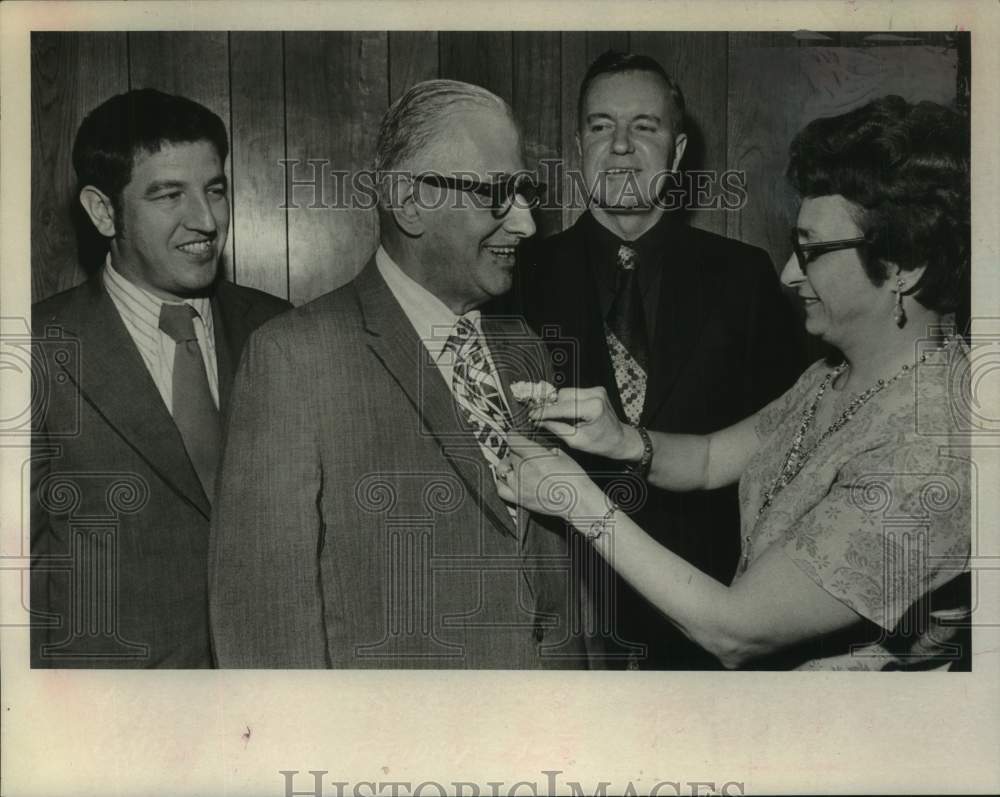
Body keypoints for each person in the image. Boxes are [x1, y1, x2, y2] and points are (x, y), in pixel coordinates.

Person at [498, 95, 971, 670]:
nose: (789, 273)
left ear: (905, 266)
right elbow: (711, 459)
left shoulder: (932, 445)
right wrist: (623, 440)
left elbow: (737, 630)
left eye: (813, 252)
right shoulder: (834, 375)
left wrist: (575, 499)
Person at [209, 79, 590, 668]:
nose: (527, 224)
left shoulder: (526, 347)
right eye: (497, 195)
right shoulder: (293, 359)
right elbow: (267, 627)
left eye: (525, 192)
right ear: (409, 201)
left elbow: (555, 575)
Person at [508, 50, 804, 669]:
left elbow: (786, 452)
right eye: (600, 126)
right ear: (576, 146)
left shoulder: (746, 279)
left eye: (644, 127)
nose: (620, 146)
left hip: (712, 624)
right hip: (565, 623)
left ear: (675, 152)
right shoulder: (517, 278)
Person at [30, 89, 291, 668]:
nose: (205, 220)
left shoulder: (281, 331)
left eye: (214, 189)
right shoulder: (34, 351)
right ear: (103, 212)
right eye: (169, 194)